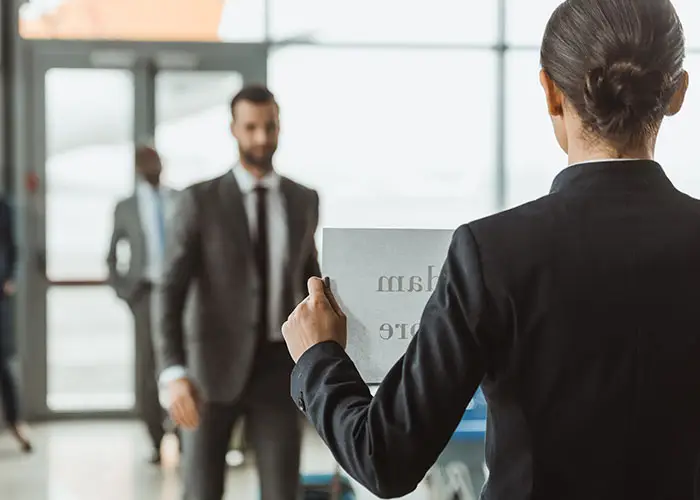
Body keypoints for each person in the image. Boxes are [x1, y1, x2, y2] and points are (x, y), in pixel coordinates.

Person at [281, 1, 700, 499]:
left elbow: (384, 457)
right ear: (677, 93)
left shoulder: (494, 252)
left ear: (549, 91)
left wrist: (318, 358)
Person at [156, 84, 321, 500]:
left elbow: (310, 281)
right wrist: (174, 372)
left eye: (270, 127)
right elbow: (169, 291)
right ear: (234, 129)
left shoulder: (303, 200)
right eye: (251, 127)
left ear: (280, 126)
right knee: (202, 490)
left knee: (283, 490)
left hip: (279, 369)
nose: (262, 138)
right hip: (209, 371)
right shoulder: (199, 200)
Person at [107, 145, 180, 464]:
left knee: (182, 361)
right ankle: (155, 437)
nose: (156, 166)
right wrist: (127, 293)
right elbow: (111, 257)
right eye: (149, 162)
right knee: (147, 369)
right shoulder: (125, 207)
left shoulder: (178, 198)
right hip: (145, 294)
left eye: (159, 161)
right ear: (139, 167)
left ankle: (183, 433)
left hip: (178, 292)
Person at [0, 197, 31, 453]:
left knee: (3, 363)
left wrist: (10, 278)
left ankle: (15, 421)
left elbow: (13, 247)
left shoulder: (4, 206)